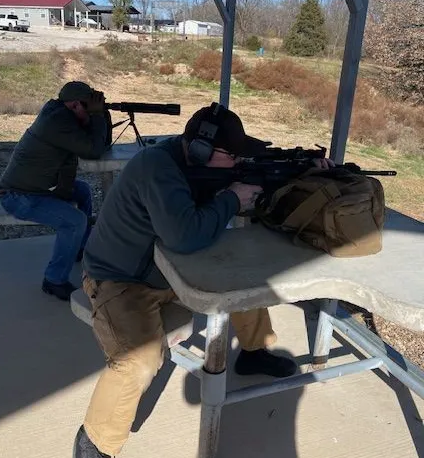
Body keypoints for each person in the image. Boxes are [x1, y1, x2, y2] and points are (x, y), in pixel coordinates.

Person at [74, 104, 332, 458]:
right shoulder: (157, 168)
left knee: (244, 280)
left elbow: (254, 180)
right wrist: (231, 198)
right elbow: (185, 235)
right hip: (121, 279)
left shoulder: (205, 165)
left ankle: (254, 353)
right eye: (232, 155)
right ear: (199, 149)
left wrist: (306, 175)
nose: (239, 162)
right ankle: (96, 441)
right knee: (139, 362)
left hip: (171, 270)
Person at [0, 81, 111, 301]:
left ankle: (78, 247)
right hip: (20, 196)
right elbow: (94, 150)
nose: (92, 108)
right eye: (88, 105)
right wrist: (96, 117)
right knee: (75, 221)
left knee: (83, 191)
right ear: (75, 105)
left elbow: (101, 142)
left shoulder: (62, 114)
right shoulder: (57, 123)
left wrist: (96, 116)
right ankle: (54, 280)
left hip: (37, 187)